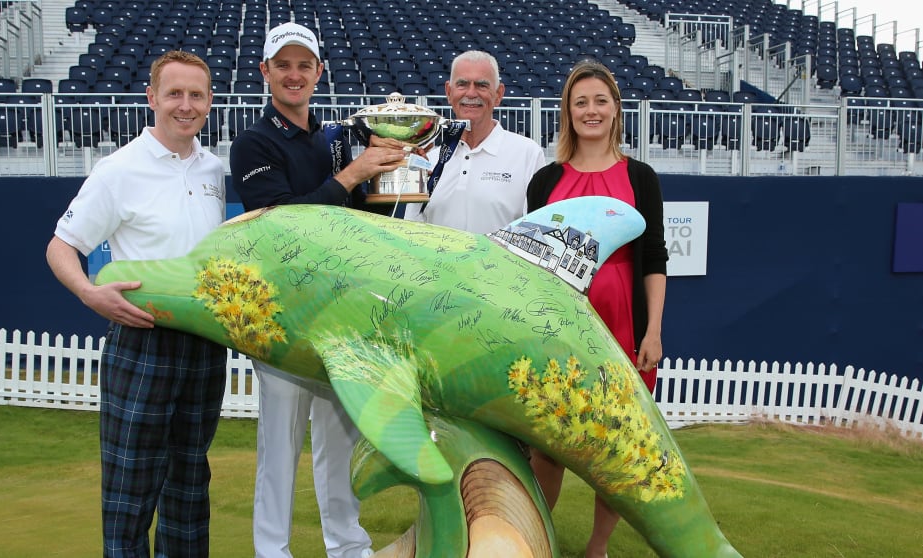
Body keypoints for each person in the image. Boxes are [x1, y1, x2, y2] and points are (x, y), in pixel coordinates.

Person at [229, 22, 413, 558]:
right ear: (264, 71)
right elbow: (287, 223)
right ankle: (272, 550)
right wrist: (355, 172)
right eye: (282, 64)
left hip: (341, 314)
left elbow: (358, 218)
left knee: (339, 443)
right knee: (279, 446)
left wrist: (392, 174)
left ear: (318, 73)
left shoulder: (337, 138)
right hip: (284, 318)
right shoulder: (252, 142)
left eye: (303, 65)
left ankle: (348, 546)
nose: (293, 74)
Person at [45, 51, 227, 557]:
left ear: (210, 102)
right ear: (152, 98)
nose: (185, 105)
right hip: (142, 337)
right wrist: (88, 292)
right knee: (130, 483)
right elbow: (61, 246)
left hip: (204, 341)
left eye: (196, 95)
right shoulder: (118, 170)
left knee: (190, 479)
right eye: (174, 94)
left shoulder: (213, 168)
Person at [526, 59, 668, 558]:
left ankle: (596, 549)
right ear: (568, 111)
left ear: (616, 110)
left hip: (623, 329)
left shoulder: (641, 177)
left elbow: (654, 259)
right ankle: (535, 538)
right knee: (549, 445)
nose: (591, 110)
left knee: (616, 444)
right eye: (580, 101)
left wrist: (652, 331)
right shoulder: (545, 181)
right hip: (561, 329)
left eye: (600, 101)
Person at [404, 50, 546, 234]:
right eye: (462, 84)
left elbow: (536, 231)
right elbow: (411, 229)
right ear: (449, 92)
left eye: (481, 85)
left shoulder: (528, 154)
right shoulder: (429, 160)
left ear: (498, 94)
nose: (471, 93)